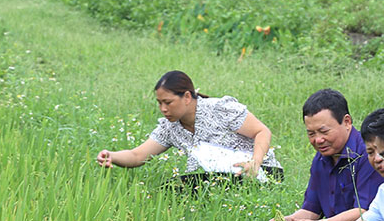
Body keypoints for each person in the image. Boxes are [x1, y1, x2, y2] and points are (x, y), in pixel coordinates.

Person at [96, 70, 282, 183]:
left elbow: (261, 131)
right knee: (171, 189)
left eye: (168, 102)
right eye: (159, 103)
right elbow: (137, 156)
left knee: (182, 188)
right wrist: (112, 156)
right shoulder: (170, 128)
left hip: (259, 173)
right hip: (215, 179)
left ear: (186, 97)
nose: (163, 109)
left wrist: (255, 163)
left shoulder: (219, 108)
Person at [266, 89, 384, 221]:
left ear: (347, 122)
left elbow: (364, 212)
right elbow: (311, 210)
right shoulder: (321, 158)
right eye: (311, 134)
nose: (318, 140)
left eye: (324, 131)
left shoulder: (368, 155)